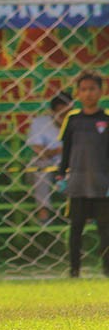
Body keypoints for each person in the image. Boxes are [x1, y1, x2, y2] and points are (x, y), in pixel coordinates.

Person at [56, 70, 109, 278]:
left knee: (105, 229)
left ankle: (106, 269)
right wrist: (61, 175)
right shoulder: (72, 120)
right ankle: (74, 270)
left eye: (92, 89)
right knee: (75, 228)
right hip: (77, 183)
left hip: (102, 184)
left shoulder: (106, 119)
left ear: (101, 91)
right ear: (78, 93)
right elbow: (66, 151)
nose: (88, 94)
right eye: (84, 89)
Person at [25, 91, 72, 225]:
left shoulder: (78, 123)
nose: (64, 117)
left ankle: (85, 212)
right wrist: (61, 150)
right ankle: (43, 209)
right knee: (41, 164)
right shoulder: (39, 123)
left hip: (69, 166)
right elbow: (39, 151)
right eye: (61, 114)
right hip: (46, 166)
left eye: (67, 113)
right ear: (52, 112)